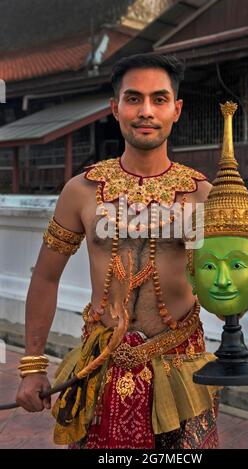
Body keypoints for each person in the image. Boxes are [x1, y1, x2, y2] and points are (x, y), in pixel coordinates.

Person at [15, 54, 220, 449]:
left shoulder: (203, 195)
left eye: (159, 99)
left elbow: (222, 282)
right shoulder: (82, 190)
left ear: (176, 110)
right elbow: (45, 277)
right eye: (133, 99)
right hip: (100, 366)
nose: (146, 111)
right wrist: (32, 366)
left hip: (182, 367)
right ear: (115, 108)